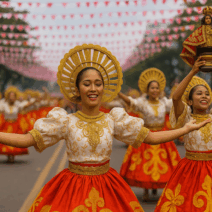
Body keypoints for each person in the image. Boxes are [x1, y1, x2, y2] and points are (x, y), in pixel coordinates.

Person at [0, 45, 210, 212]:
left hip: (107, 187)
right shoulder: (64, 120)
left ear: (103, 88)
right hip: (72, 187)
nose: (93, 88)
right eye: (87, 84)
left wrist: (185, 129)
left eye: (98, 83)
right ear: (77, 89)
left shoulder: (114, 119)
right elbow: (27, 140)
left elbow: (152, 138)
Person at [155, 57, 212, 211]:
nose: (204, 96)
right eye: (199, 93)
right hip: (191, 169)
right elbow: (175, 97)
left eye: (207, 94)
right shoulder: (187, 116)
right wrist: (193, 71)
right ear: (190, 102)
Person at [118, 68, 181, 201]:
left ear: (159, 89)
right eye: (152, 88)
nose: (154, 90)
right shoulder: (143, 103)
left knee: (166, 165)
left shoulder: (164, 102)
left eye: (156, 88)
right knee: (145, 165)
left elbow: (176, 101)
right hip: (146, 136)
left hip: (163, 137)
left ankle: (157, 188)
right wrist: (119, 93)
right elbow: (131, 102)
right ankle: (146, 190)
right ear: (147, 90)